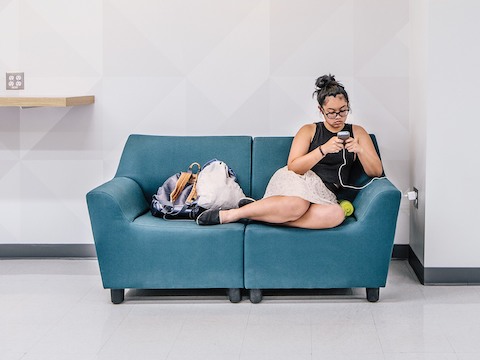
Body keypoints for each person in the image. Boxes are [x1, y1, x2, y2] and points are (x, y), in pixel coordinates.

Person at [196, 74, 383, 229]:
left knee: (336, 214)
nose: (337, 117)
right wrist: (323, 150)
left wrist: (359, 150)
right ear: (321, 110)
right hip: (299, 182)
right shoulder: (309, 130)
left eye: (343, 111)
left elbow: (376, 172)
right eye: (331, 112)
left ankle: (260, 213)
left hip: (324, 194)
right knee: (298, 204)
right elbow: (294, 167)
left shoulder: (358, 132)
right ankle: (232, 215)